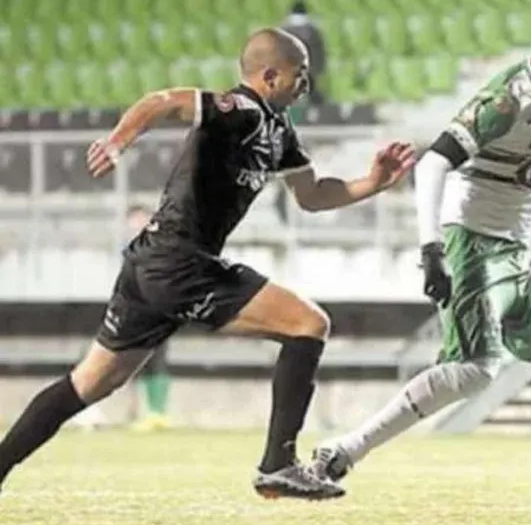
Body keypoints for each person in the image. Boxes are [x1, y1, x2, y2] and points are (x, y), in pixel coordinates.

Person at [0, 28, 416, 500]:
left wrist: (373, 183)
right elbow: (162, 101)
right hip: (179, 262)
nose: (307, 83)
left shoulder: (279, 132)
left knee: (89, 384)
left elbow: (313, 195)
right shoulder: (236, 111)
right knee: (308, 323)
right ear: (271, 75)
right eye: (300, 75)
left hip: (155, 265)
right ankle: (278, 465)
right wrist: (118, 142)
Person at [309, 0, 531, 525]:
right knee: (473, 372)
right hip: (472, 243)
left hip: (511, 252)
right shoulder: (503, 100)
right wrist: (431, 249)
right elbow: (433, 163)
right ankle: (343, 451)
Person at [125, 204, 173, 432]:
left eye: (140, 219)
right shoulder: (132, 250)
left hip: (159, 309)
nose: (136, 224)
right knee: (138, 362)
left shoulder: (160, 245)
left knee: (157, 359)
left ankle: (158, 412)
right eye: (132, 220)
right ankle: (146, 412)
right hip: (137, 311)